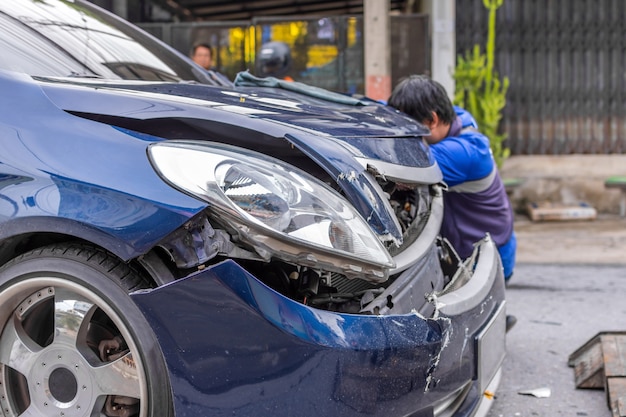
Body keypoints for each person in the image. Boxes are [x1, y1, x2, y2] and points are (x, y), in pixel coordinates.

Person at [388, 74, 517, 283]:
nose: (405, 138)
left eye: (408, 131)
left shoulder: (461, 153)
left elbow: (399, 173)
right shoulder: (458, 117)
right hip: (483, 239)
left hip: (483, 258)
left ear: (432, 120)